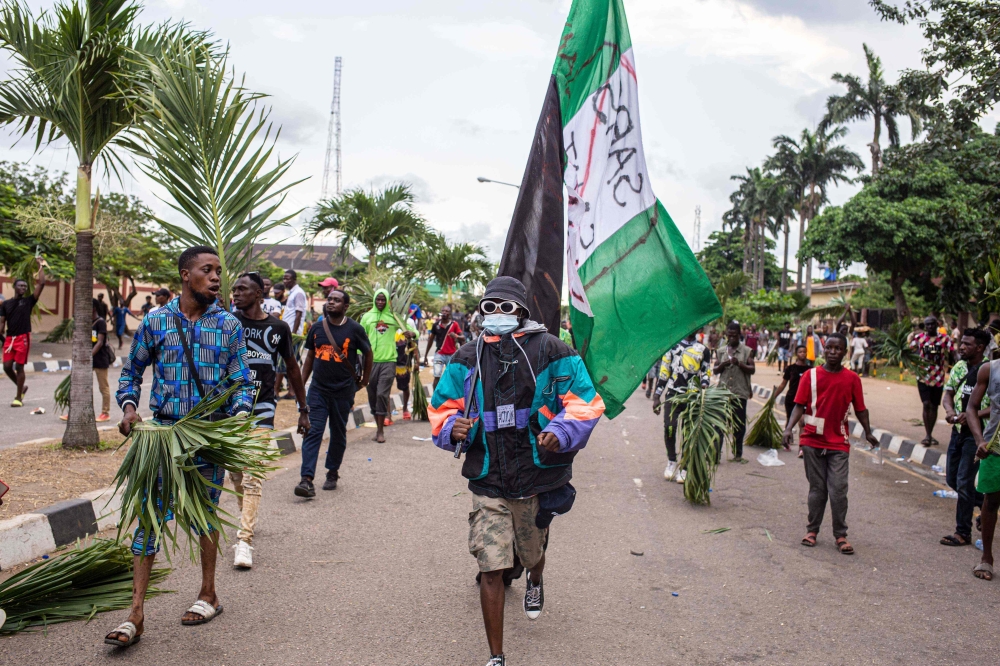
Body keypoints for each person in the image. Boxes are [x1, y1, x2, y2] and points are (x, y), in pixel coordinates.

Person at [429, 276, 605, 666]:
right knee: (490, 565)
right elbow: (442, 408)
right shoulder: (466, 357)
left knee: (530, 553)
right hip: (488, 479)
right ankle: (496, 657)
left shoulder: (552, 350)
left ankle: (536, 578)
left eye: (506, 307)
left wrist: (561, 431)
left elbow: (585, 402)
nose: (497, 314)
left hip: (534, 477)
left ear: (522, 312)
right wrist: (450, 426)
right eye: (489, 306)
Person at [104, 245, 254, 647]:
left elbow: (242, 380)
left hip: (207, 438)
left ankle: (209, 594)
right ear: (186, 276)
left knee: (205, 516)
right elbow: (130, 373)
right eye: (208, 270)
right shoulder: (156, 322)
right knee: (148, 519)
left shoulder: (228, 325)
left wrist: (239, 415)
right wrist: (130, 408)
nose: (217, 278)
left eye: (219, 271)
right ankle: (135, 614)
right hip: (161, 441)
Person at [231, 272, 310, 567]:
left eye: (242, 289)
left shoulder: (278, 328)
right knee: (235, 473)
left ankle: (245, 540)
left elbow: (292, 368)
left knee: (253, 475)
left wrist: (303, 409)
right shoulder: (228, 322)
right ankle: (245, 514)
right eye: (235, 289)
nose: (236, 294)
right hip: (229, 410)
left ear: (259, 294)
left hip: (262, 408)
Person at [783, 333, 879, 555]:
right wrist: (788, 429)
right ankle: (812, 530)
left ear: (845, 352)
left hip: (838, 442)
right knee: (817, 489)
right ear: (823, 350)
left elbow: (860, 408)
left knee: (838, 490)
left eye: (838, 349)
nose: (833, 352)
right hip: (812, 440)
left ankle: (840, 534)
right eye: (830, 348)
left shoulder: (852, 379)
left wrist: (868, 431)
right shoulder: (810, 376)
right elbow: (799, 405)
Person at [297, 288, 372, 497]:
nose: (331, 303)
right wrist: (300, 386)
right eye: (329, 299)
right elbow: (310, 358)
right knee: (313, 431)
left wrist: (364, 380)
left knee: (338, 433)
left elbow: (368, 353)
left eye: (336, 300)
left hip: (343, 391)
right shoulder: (317, 328)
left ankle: (332, 472)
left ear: (345, 306)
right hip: (318, 390)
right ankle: (306, 479)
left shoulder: (355, 329)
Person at [940, 328, 992, 548]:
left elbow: (994, 407)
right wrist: (951, 411)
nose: (961, 347)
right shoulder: (960, 367)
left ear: (979, 348)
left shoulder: (991, 370)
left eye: (967, 344)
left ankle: (963, 532)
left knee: (963, 482)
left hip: (977, 433)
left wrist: (972, 414)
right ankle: (988, 506)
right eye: (961, 343)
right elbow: (948, 394)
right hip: (958, 433)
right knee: (953, 479)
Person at [652, 331, 710, 482]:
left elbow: (705, 372)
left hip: (692, 397)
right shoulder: (672, 346)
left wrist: (704, 384)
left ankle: (684, 467)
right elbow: (664, 372)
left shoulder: (703, 350)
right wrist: (657, 395)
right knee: (669, 428)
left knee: (688, 433)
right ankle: (672, 461)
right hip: (673, 395)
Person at [360, 288, 416, 442]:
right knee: (372, 395)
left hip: (389, 361)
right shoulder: (366, 317)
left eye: (383, 299)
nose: (380, 302)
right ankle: (377, 421)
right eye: (378, 299)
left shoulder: (393, 317)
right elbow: (360, 336)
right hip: (370, 362)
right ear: (374, 300)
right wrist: (358, 356)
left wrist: (412, 334)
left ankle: (380, 432)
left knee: (381, 394)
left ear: (387, 301)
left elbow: (410, 330)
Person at [966, 350, 1000, 580]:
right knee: (991, 502)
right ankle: (986, 559)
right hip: (994, 448)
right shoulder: (990, 369)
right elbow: (972, 408)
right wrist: (980, 440)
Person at [1, 258, 46, 407]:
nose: (23, 288)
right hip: (9, 339)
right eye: (20, 286)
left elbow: (42, 284)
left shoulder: (28, 301)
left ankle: (18, 397)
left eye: (25, 286)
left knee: (19, 367)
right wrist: (1, 335)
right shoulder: (6, 304)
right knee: (7, 367)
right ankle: (22, 387)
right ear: (14, 287)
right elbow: (2, 321)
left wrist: (40, 265)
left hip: (23, 337)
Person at [61, 299, 114, 424]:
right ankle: (74, 412)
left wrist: (88, 356)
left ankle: (105, 413)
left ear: (94, 308)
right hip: (87, 361)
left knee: (103, 387)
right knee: (79, 386)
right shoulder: (86, 322)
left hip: (100, 360)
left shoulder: (100, 322)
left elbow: (100, 342)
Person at [910, 315, 957, 447]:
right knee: (926, 404)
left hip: (938, 377)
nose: (930, 327)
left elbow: (953, 352)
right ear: (925, 326)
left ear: (937, 324)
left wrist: (961, 361)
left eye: (932, 324)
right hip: (923, 376)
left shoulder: (944, 338)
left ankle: (930, 433)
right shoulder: (919, 338)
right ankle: (928, 435)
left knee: (934, 406)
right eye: (927, 325)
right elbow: (909, 350)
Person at [714, 321, 754, 463]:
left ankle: (738, 454)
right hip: (723, 393)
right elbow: (714, 370)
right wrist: (723, 364)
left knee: (739, 425)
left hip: (739, 392)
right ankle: (716, 454)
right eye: (729, 336)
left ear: (739, 335)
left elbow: (752, 369)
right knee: (719, 423)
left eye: (734, 336)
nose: (731, 338)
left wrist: (740, 364)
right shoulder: (720, 351)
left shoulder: (747, 351)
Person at [773, 344, 813, 457]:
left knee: (802, 422)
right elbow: (783, 385)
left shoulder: (810, 369)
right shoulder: (790, 369)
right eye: (800, 352)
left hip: (804, 400)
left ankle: (801, 448)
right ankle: (787, 441)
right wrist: (774, 396)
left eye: (804, 352)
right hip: (791, 399)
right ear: (796, 354)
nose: (803, 354)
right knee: (790, 420)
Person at [423, 304, 464, 389]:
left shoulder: (454, 324)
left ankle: (451, 399)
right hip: (439, 354)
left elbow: (463, 337)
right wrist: (425, 356)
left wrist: (456, 336)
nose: (444, 312)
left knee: (453, 377)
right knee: (437, 376)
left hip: (452, 355)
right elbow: (430, 340)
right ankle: (435, 399)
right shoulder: (436, 325)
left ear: (450, 314)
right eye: (443, 311)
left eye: (447, 311)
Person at [395, 329, 416, 420]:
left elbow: (413, 344)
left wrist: (417, 362)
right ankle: (387, 415)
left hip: (404, 364)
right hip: (388, 362)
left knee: (405, 387)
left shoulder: (406, 324)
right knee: (385, 388)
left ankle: (405, 409)